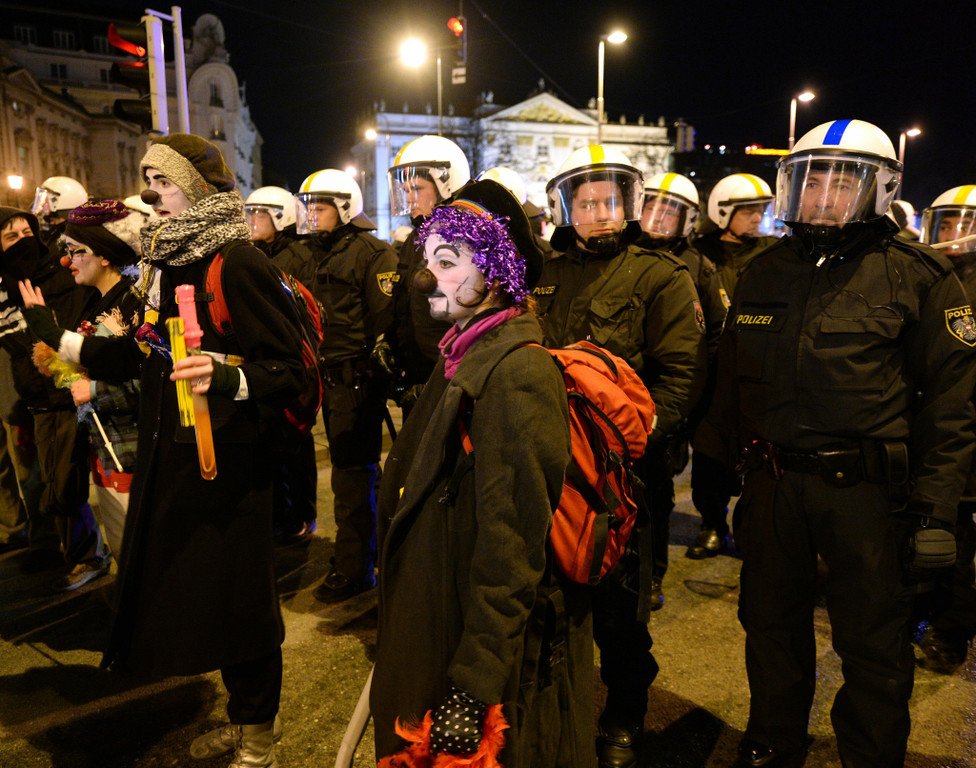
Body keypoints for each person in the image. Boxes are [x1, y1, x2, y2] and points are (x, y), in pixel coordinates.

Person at [695, 119, 976, 768]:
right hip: (773, 486)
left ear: (879, 189)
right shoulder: (765, 272)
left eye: (842, 182)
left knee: (873, 643)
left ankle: (870, 757)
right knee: (769, 627)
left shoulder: (920, 276)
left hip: (868, 497)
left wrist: (936, 513)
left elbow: (951, 408)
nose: (823, 196)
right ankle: (773, 742)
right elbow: (732, 380)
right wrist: (721, 476)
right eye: (812, 180)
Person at [19, 134, 305, 768]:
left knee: (242, 603)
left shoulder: (237, 262)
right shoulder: (166, 262)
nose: (150, 194)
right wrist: (59, 341)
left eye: (163, 181)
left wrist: (226, 377)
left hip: (231, 465)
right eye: (147, 181)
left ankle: (259, 738)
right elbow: (136, 355)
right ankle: (244, 722)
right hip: (176, 459)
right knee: (206, 597)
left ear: (198, 188)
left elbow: (289, 372)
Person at [371, 178, 594, 768]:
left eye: (447, 262)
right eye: (428, 261)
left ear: (495, 274)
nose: (426, 278)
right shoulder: (461, 350)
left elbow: (512, 545)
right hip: (440, 607)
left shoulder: (517, 374)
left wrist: (475, 682)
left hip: (473, 638)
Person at [535, 145, 707, 768]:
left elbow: (681, 375)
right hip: (548, 460)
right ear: (567, 210)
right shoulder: (543, 272)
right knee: (550, 595)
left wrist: (637, 443)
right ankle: (556, 709)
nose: (599, 213)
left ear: (628, 206)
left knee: (619, 605)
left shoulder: (659, 275)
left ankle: (625, 710)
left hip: (620, 473)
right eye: (586, 203)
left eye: (610, 201)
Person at [279, 168, 397, 602]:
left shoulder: (372, 253)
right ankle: (374, 550)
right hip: (315, 376)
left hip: (354, 380)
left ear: (346, 208)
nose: (311, 214)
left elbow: (387, 319)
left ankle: (355, 568)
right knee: (353, 475)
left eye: (320, 206)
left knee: (351, 476)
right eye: (307, 206)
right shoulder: (302, 253)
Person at [0, 205, 100, 588]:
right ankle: (71, 551)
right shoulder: (4, 287)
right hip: (35, 399)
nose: (23, 241)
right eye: (11, 236)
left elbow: (72, 327)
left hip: (70, 390)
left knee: (68, 480)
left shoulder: (58, 274)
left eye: (27, 233)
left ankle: (89, 556)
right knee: (50, 483)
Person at [685, 173, 780, 559]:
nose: (758, 218)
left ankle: (751, 528)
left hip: (758, 371)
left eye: (761, 211)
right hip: (713, 373)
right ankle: (712, 524)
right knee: (710, 456)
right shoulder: (699, 255)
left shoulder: (772, 253)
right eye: (749, 211)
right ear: (723, 213)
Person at [55, 200, 143, 563]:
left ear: (104, 255)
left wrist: (92, 390)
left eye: (77, 251)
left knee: (138, 552)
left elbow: (153, 381)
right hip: (106, 446)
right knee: (122, 548)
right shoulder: (95, 301)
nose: (68, 261)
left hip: (132, 448)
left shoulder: (134, 303)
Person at [913, 184, 976, 673]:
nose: (953, 234)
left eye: (965, 224)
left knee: (957, 539)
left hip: (966, 434)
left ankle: (951, 630)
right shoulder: (923, 273)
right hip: (923, 426)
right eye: (946, 223)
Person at [244, 185, 317, 545]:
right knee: (272, 444)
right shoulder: (252, 255)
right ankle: (279, 514)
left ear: (280, 217)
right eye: (249, 213)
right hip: (264, 358)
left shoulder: (298, 257)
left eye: (259, 213)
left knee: (296, 443)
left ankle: (300, 514)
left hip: (294, 359)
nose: (251, 220)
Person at [381, 135, 471, 413]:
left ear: (446, 184)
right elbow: (405, 303)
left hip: (452, 383)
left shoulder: (466, 239)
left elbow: (474, 322)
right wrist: (390, 343)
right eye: (405, 190)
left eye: (417, 188)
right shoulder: (415, 239)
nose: (409, 198)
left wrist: (442, 383)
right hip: (417, 380)